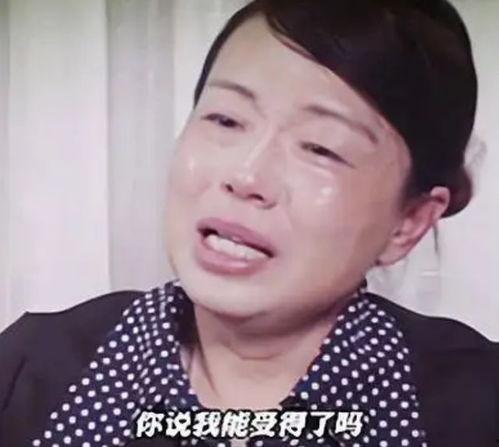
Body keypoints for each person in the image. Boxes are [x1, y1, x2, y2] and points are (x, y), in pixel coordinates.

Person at [1, 0, 498, 446]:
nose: (245, 176)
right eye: (226, 119)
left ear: (408, 222)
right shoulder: (28, 369)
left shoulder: (478, 408)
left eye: (321, 148)